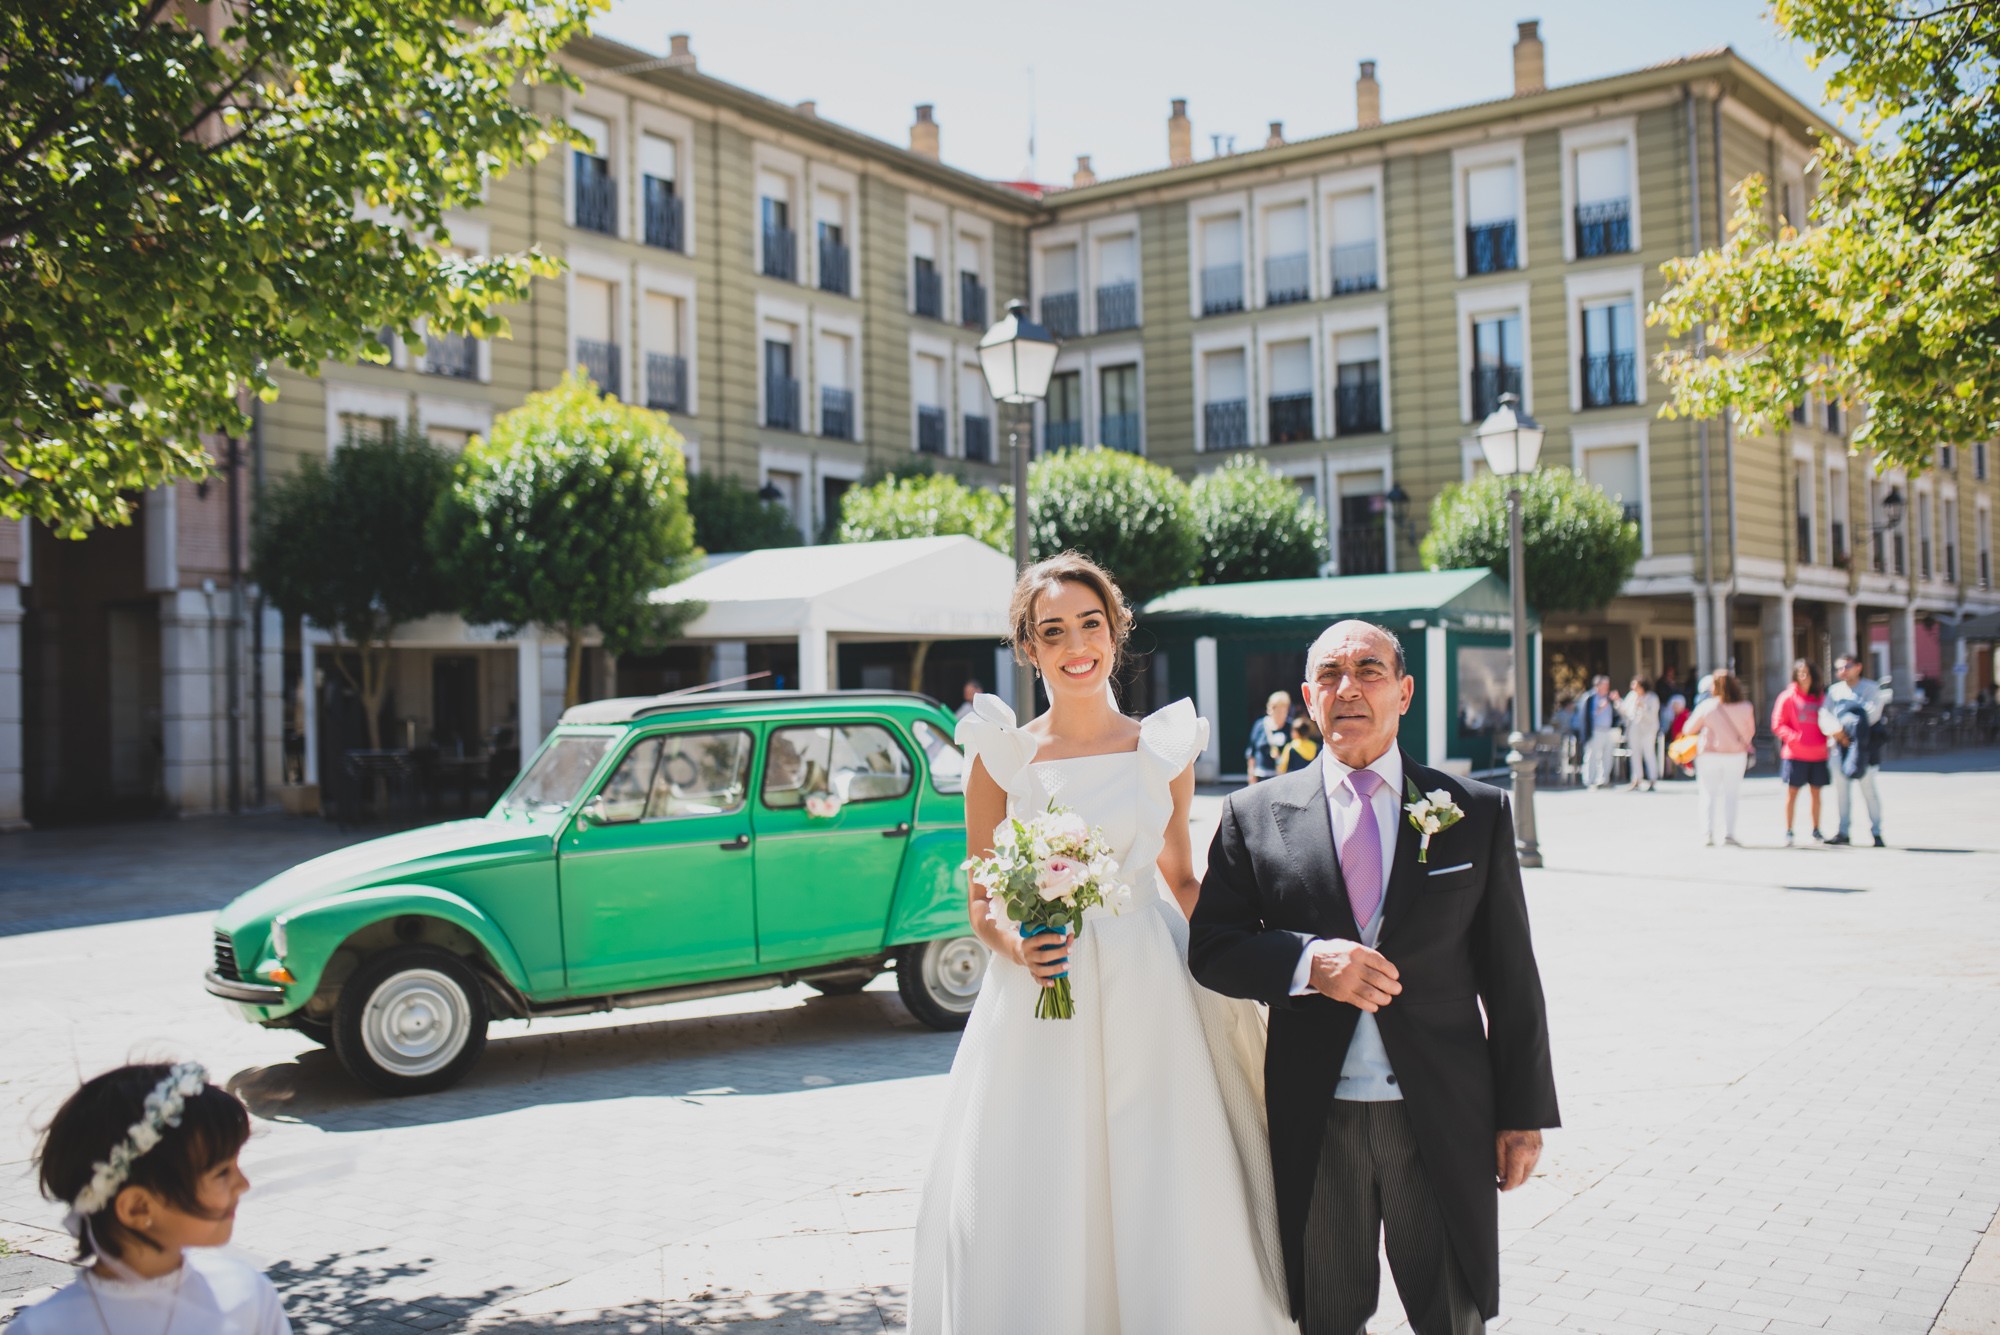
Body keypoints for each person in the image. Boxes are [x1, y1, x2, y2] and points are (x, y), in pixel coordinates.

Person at [910, 552, 1293, 1335]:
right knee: (1043, 1174)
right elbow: (982, 895)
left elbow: (1183, 878)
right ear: (1030, 647)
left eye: (1090, 623)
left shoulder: (1164, 746)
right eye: (1052, 631)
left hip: (1151, 984)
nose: (1074, 643)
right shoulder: (1002, 753)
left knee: (1163, 1166)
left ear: (1115, 632)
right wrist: (1017, 947)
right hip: (1038, 998)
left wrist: (1260, 964)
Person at [1190, 619, 1560, 1335]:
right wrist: (1305, 962)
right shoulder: (1253, 816)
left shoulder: (1474, 812)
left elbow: (1512, 975)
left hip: (1442, 1115)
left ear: (1404, 689)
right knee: (1327, 1317)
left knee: (1452, 1315)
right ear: (1307, 694)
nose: (1348, 688)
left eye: (1368, 670)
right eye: (1329, 674)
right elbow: (1212, 947)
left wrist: (1522, 1113)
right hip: (1316, 1115)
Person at [12, 1061, 291, 1334]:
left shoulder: (245, 1294)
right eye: (221, 1172)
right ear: (137, 1207)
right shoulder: (43, 1328)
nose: (243, 1184)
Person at [1682, 667, 1756, 846]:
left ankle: (1707, 834)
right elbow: (1750, 732)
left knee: (1708, 794)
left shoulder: (1707, 706)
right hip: (1736, 755)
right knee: (1731, 795)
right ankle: (1729, 834)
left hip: (1709, 755)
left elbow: (1687, 729)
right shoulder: (1746, 707)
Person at [1820, 653, 1887, 847]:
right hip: (1840, 747)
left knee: (1869, 791)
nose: (1843, 671)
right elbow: (1825, 715)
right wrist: (1838, 732)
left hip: (1864, 748)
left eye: (1847, 666)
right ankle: (1843, 831)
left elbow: (1872, 714)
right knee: (1841, 792)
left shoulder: (1871, 689)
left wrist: (1850, 725)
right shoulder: (1834, 691)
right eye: (1839, 668)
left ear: (1858, 666)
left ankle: (1876, 831)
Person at [1770, 659, 1829, 845]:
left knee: (1816, 794)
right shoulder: (1787, 697)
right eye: (1800, 673)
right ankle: (1789, 831)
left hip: (1818, 753)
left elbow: (1829, 721)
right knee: (1792, 793)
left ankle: (1816, 830)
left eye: (1807, 673)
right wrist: (1794, 738)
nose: (1803, 677)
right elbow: (1778, 724)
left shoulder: (1821, 698)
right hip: (1795, 754)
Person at [1572, 675, 1620, 788]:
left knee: (1607, 756)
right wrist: (1600, 708)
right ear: (1598, 686)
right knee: (1592, 755)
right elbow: (1584, 716)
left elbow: (1618, 714)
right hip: (1595, 730)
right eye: (1604, 685)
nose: (1607, 687)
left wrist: (1616, 700)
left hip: (1608, 730)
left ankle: (1604, 779)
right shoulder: (1589, 698)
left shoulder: (1610, 698)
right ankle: (1589, 780)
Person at [1619, 676, 1660, 791]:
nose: (1633, 688)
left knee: (1649, 753)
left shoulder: (1652, 698)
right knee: (1635, 754)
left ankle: (1652, 779)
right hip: (1634, 728)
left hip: (1647, 730)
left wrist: (1643, 707)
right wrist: (1617, 701)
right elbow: (1624, 710)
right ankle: (1636, 779)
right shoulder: (1632, 696)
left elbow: (1652, 716)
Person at [1246, 690, 1291, 784]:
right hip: (1261, 775)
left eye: (1283, 710)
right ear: (1270, 709)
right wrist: (1251, 774)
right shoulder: (1260, 726)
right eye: (1276, 709)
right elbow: (1251, 751)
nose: (1280, 713)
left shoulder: (1290, 727)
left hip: (1282, 776)